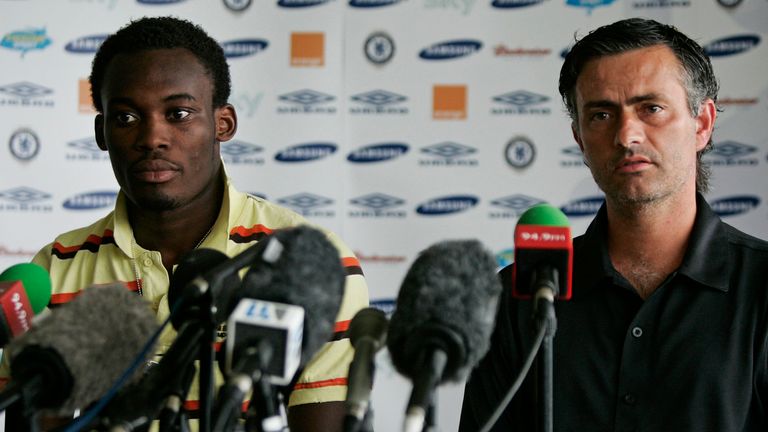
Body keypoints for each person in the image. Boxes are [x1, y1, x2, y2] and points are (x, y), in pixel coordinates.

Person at [0, 16, 368, 431]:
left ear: (222, 123)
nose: (152, 137)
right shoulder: (55, 270)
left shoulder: (311, 265)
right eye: (125, 118)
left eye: (178, 113)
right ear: (101, 132)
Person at [459, 18, 768, 432]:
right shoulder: (518, 300)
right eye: (602, 115)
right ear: (580, 139)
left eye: (651, 108)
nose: (626, 135)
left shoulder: (762, 288)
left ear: (702, 123)